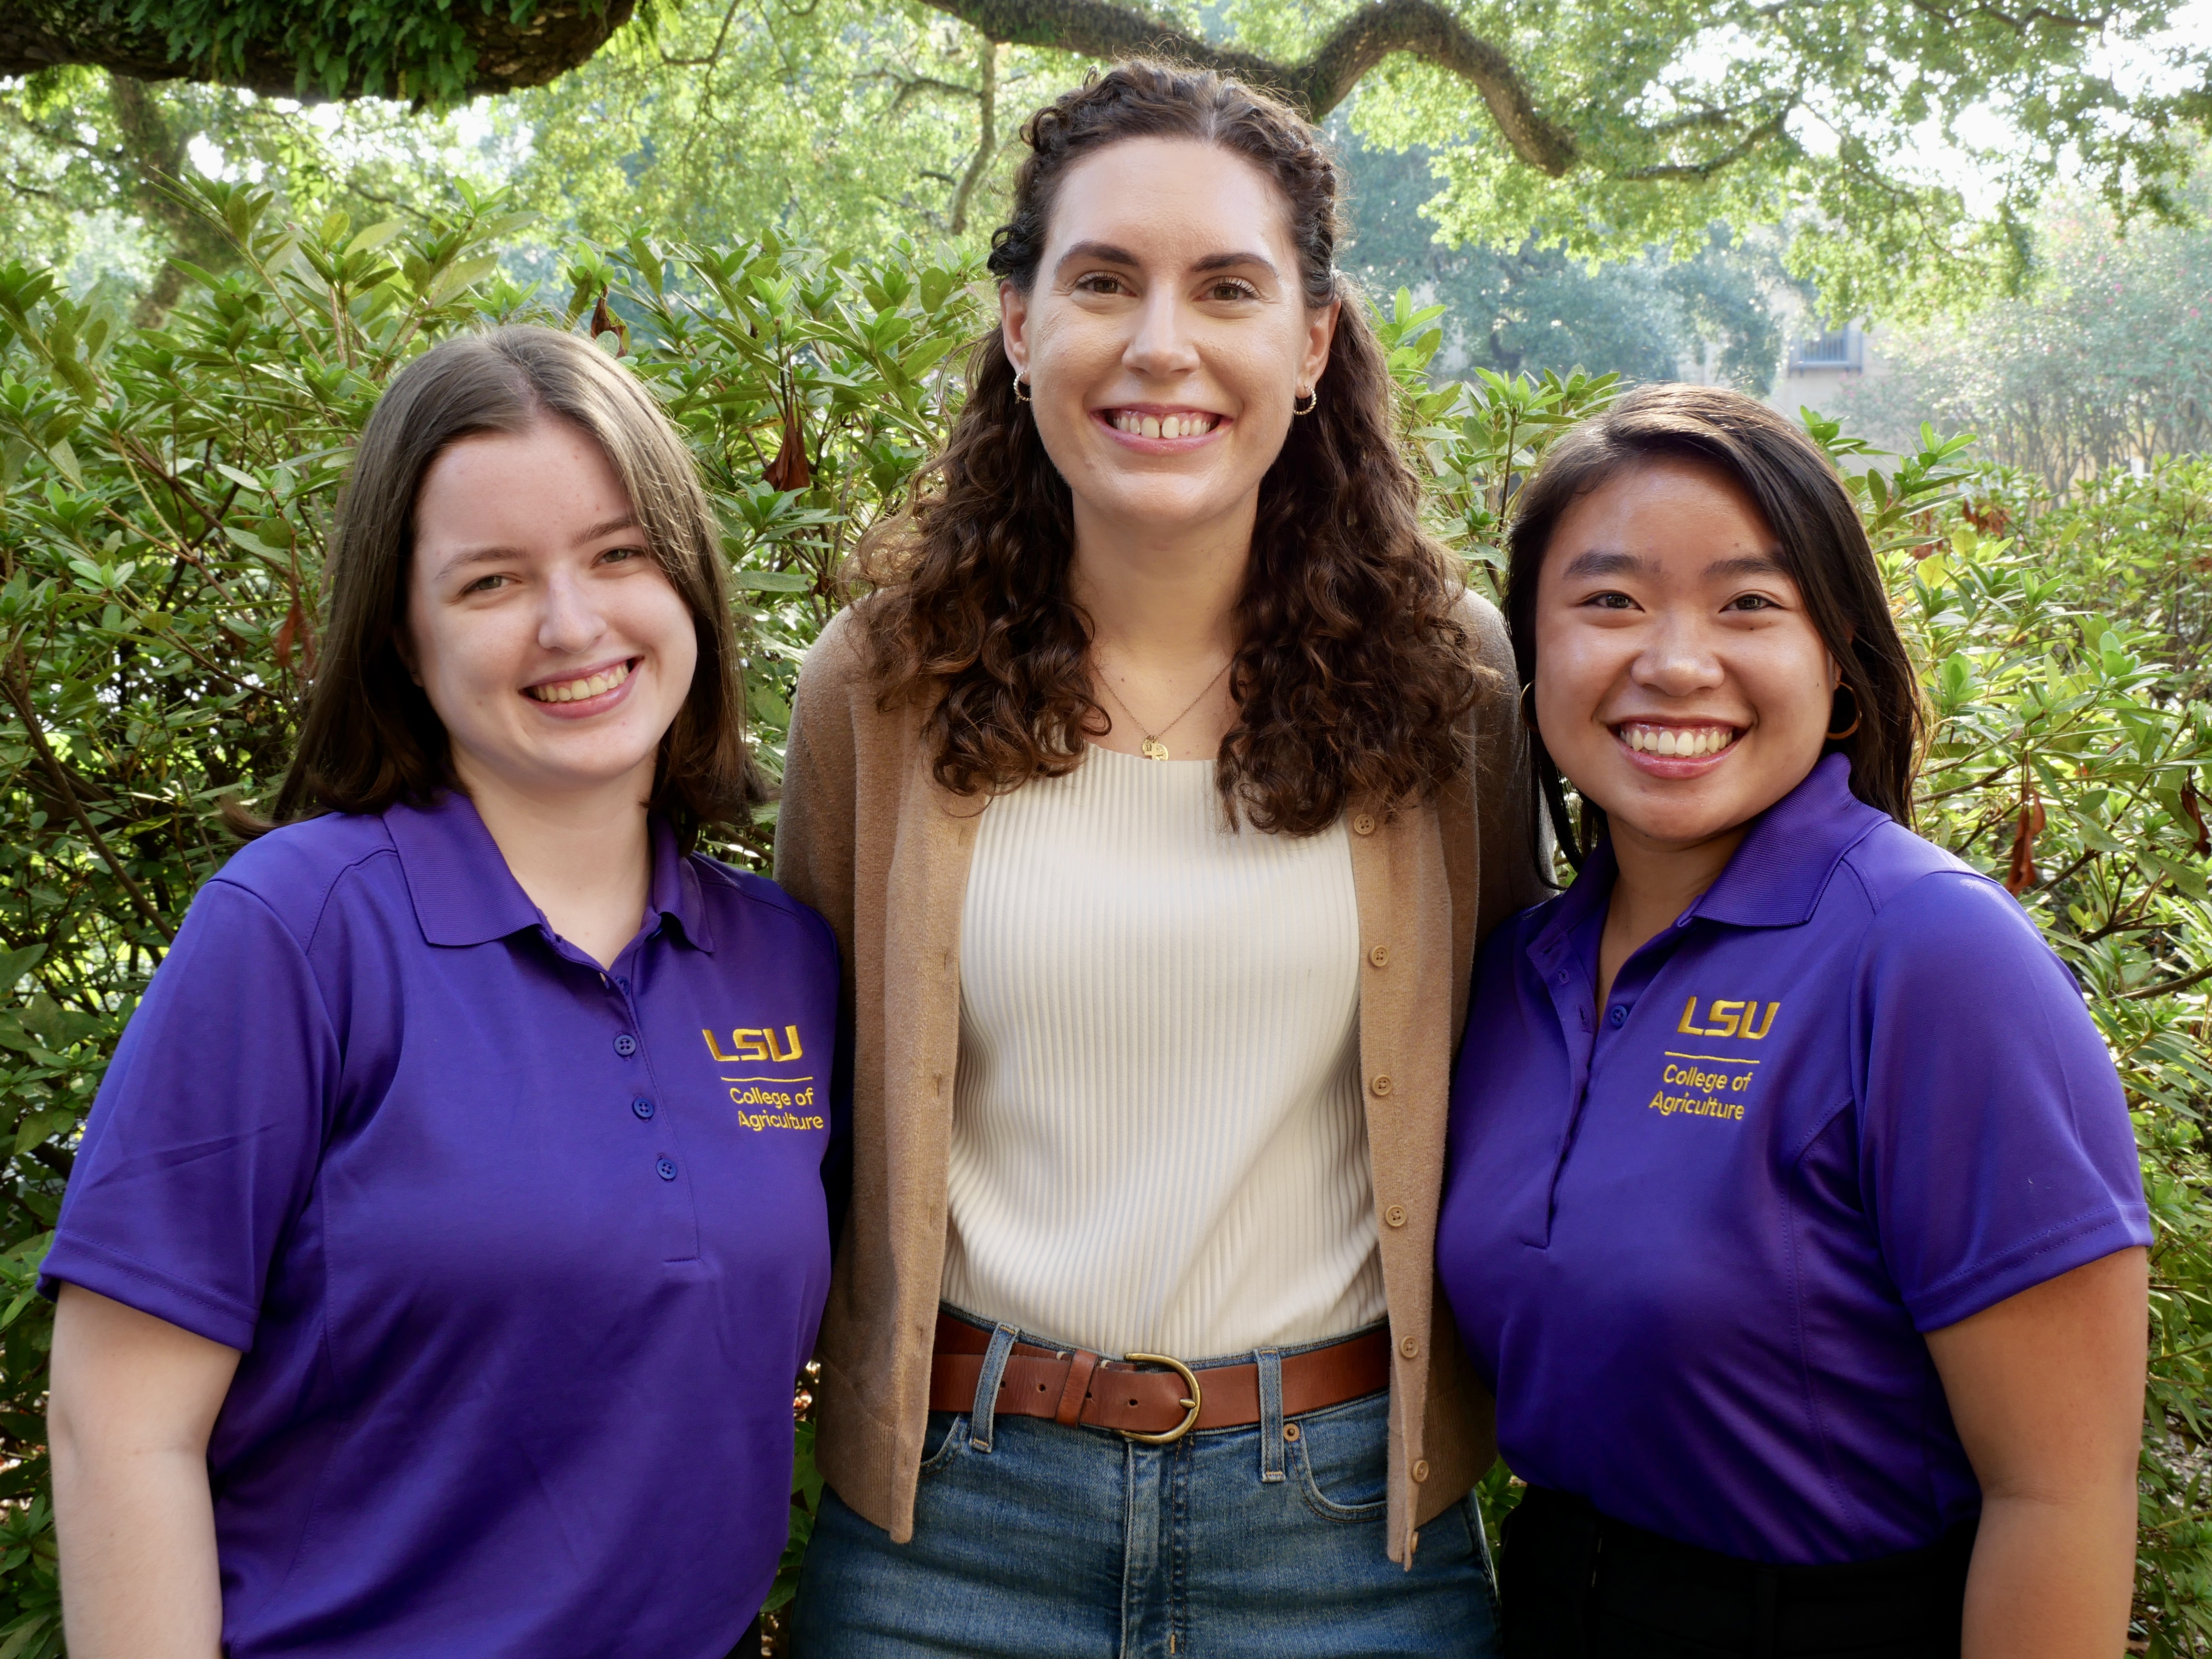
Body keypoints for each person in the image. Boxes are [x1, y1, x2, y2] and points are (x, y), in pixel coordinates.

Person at [774, 59, 1548, 1659]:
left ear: (1314, 341)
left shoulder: (1447, 679)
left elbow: (1504, 1058)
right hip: (949, 1523)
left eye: (1227, 289)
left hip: (1346, 1531)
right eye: (1102, 281)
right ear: (1019, 322)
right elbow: (816, 1098)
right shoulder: (882, 683)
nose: (1160, 345)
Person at [42, 326, 842, 1659]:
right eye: (489, 582)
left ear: (687, 583)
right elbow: (119, 1423)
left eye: (618, 554)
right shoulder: (293, 931)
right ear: (405, 637)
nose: (572, 623)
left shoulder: (785, 959)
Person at [1437, 383, 2150, 1658]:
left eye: (1747, 603)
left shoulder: (1930, 954)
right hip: (1546, 1605)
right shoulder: (1515, 970)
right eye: (1607, 601)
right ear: (1530, 659)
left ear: (1838, 662)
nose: (1673, 658)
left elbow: (2060, 1494)